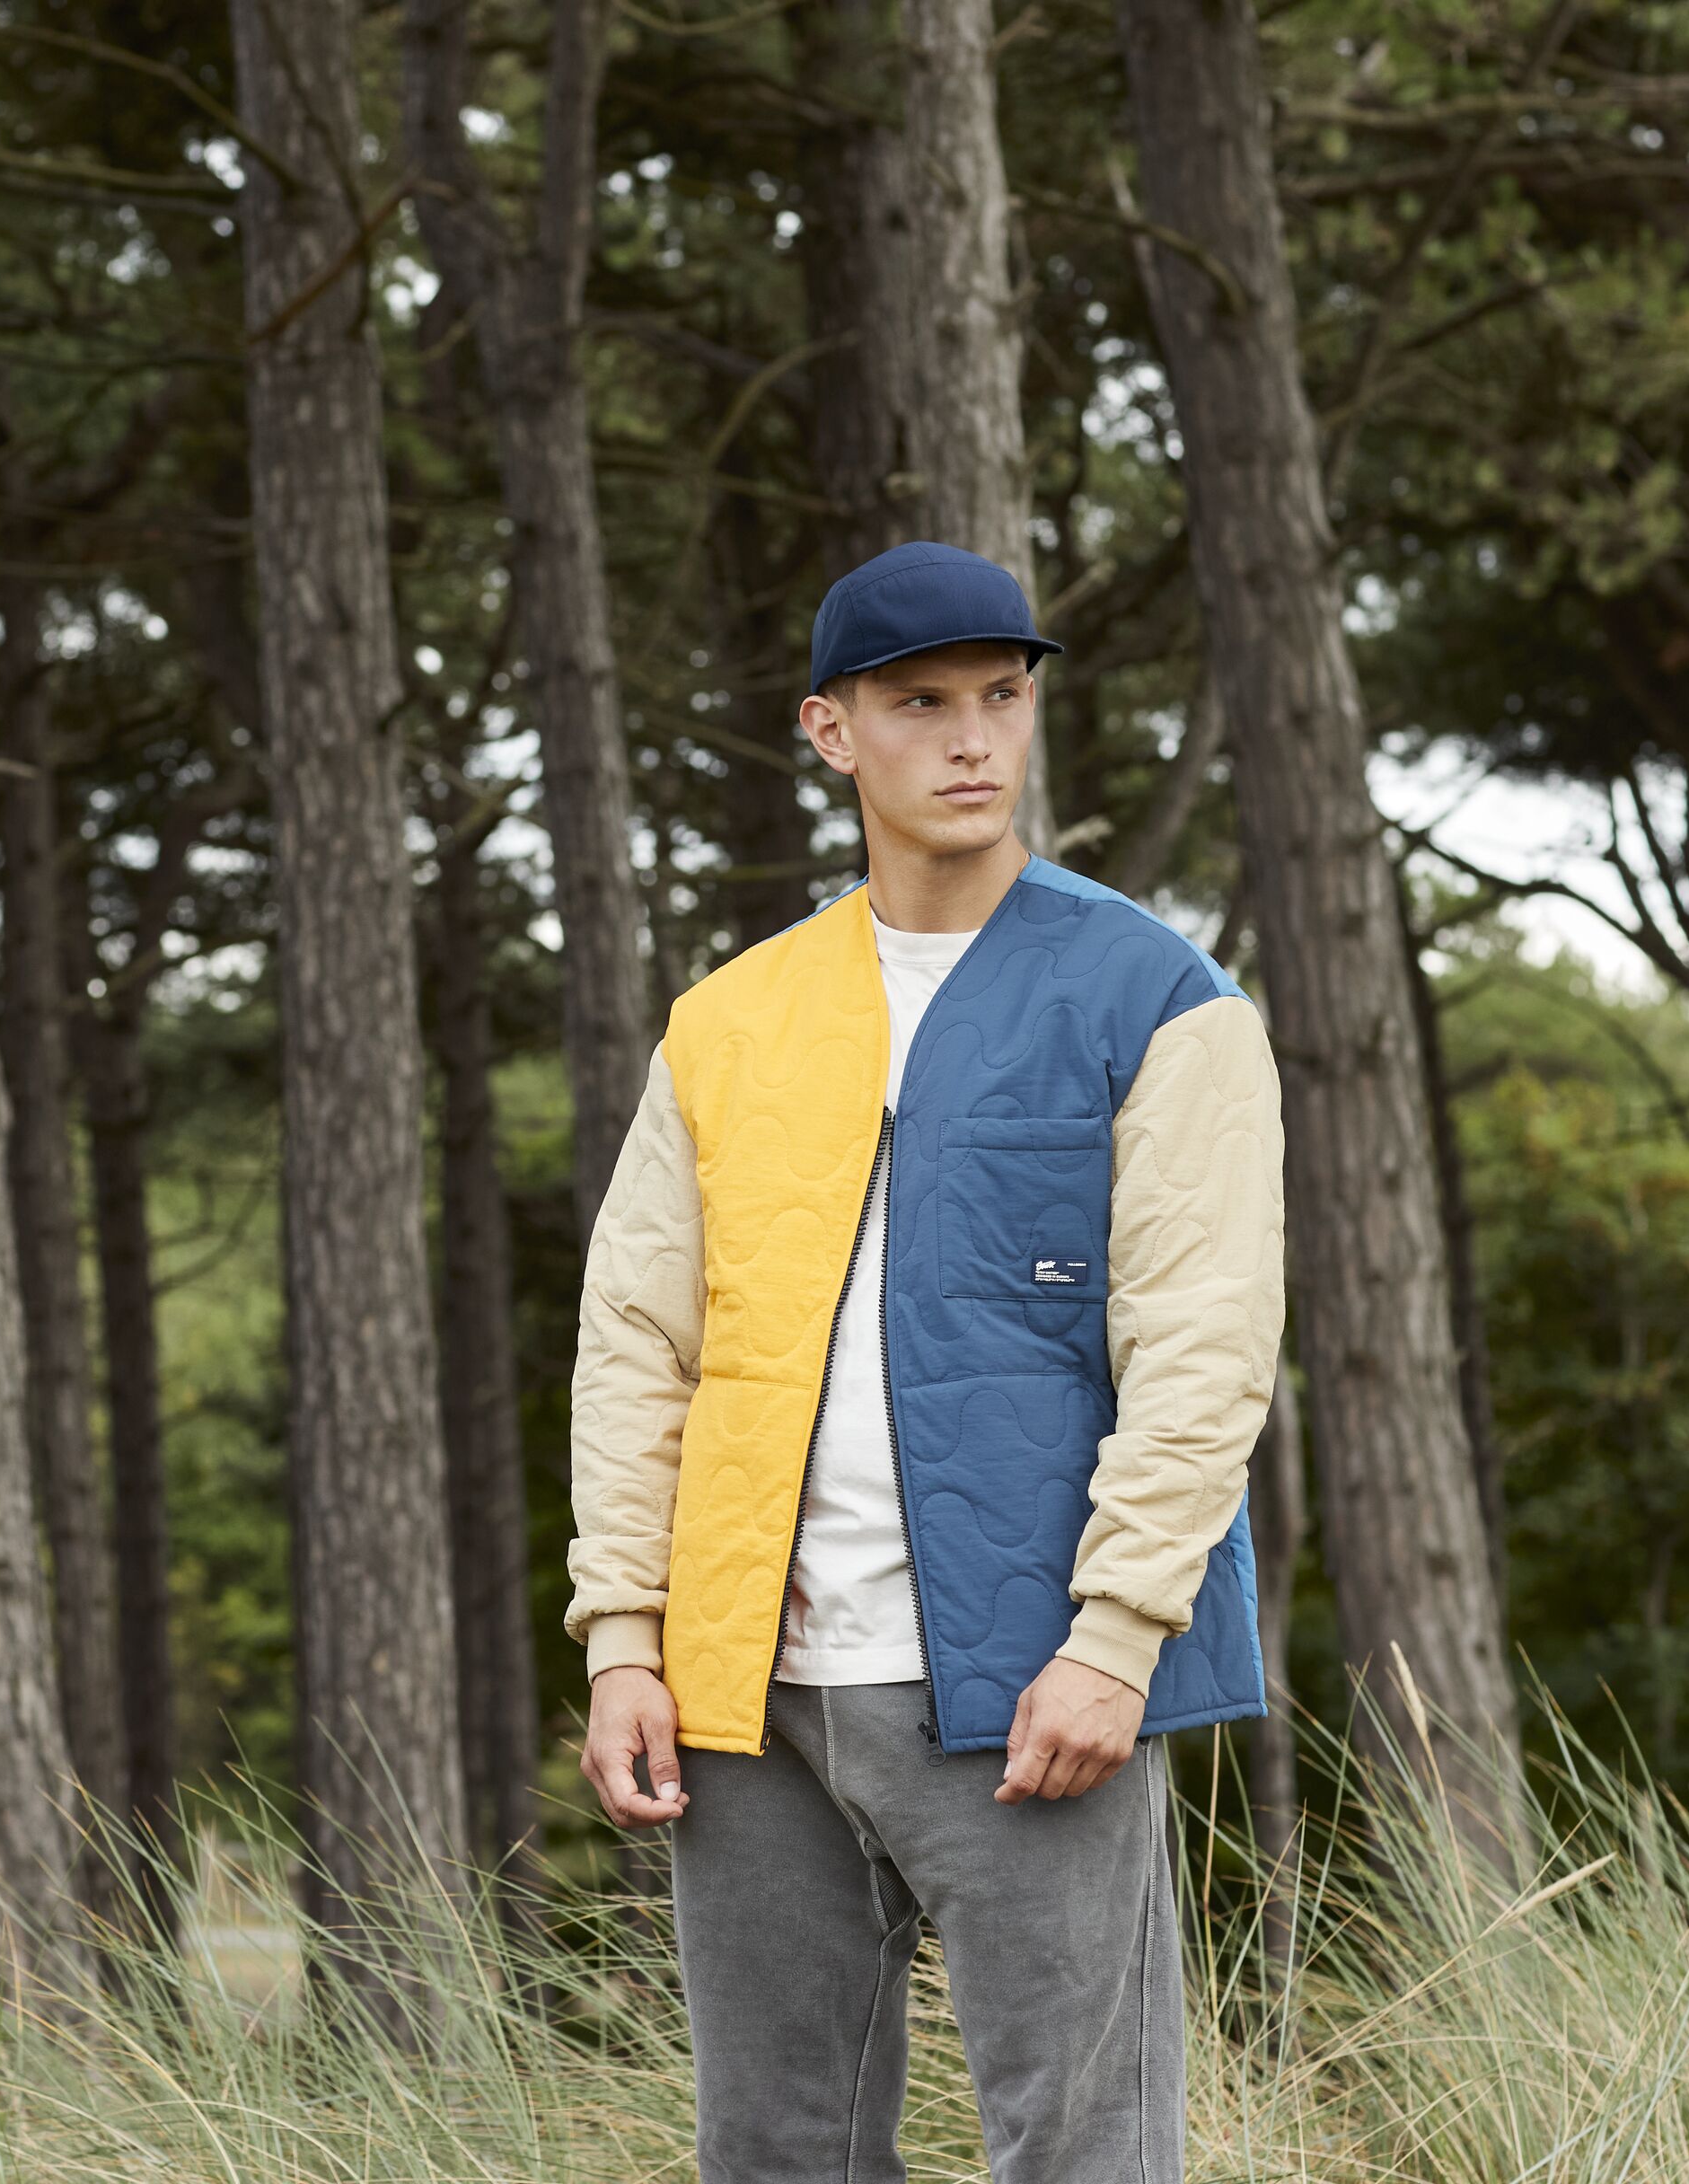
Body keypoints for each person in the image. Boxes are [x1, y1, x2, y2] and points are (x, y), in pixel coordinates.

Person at [566, 541, 1285, 2184]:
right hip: (750, 1698)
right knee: (777, 2154)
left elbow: (1202, 1347)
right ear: (831, 731)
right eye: (921, 704)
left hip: (1032, 1687)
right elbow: (640, 1346)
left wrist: (1116, 1640)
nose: (972, 739)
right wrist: (627, 1639)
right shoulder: (730, 1022)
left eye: (1002, 698)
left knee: (1085, 2151)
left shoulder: (1159, 1000)